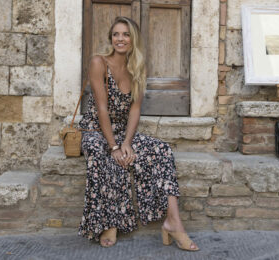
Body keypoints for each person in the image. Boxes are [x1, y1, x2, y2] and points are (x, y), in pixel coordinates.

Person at [78, 16, 199, 251]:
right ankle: (109, 222)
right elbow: (101, 108)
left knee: (161, 150)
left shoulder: (136, 68)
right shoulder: (98, 62)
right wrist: (114, 147)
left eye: (125, 34)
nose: (120, 39)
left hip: (123, 131)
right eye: (116, 34)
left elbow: (135, 109)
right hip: (95, 128)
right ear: (110, 38)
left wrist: (127, 143)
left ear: (133, 40)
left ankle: (173, 222)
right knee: (104, 156)